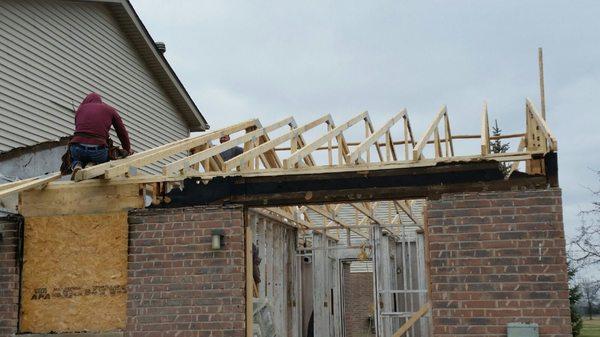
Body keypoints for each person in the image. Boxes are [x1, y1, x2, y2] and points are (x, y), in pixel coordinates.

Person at [70, 93, 132, 177]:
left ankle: (77, 165)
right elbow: (122, 132)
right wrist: (127, 149)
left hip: (77, 148)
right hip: (97, 150)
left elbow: (79, 129)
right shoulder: (110, 110)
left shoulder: (80, 109)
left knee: (75, 158)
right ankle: (93, 164)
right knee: (102, 158)